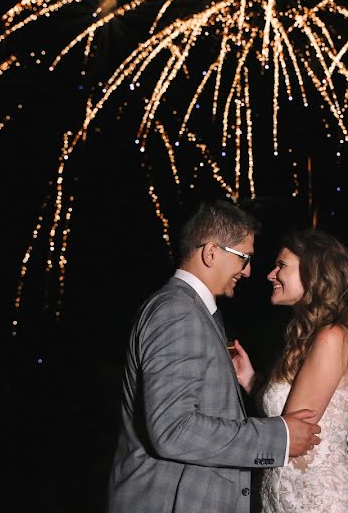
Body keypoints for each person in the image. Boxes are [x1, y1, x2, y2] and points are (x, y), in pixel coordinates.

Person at [107, 200, 322, 513]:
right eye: (244, 258)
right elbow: (173, 430)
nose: (248, 271)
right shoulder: (176, 312)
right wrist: (279, 438)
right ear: (210, 253)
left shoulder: (195, 311)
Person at [231, 229, 348, 513]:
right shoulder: (306, 337)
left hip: (315, 502)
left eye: (281, 266)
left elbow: (292, 434)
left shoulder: (332, 338)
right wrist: (249, 379)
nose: (270, 274)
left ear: (314, 274)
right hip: (282, 500)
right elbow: (286, 418)